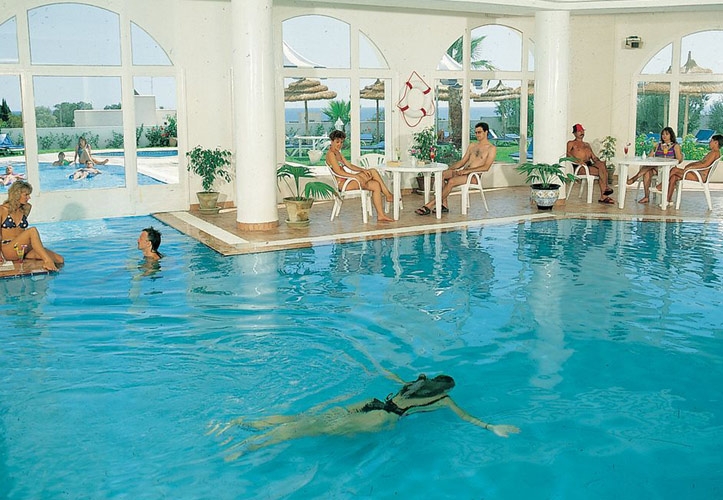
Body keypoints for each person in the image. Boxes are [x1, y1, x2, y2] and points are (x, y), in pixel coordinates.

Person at [209, 371, 520, 460]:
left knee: (301, 419)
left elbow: (388, 373)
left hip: (369, 404)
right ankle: (246, 448)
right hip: (380, 419)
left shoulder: (414, 382)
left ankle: (241, 422)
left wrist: (369, 364)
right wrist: (492, 427)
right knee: (310, 429)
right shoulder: (444, 399)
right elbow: (466, 417)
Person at [415, 122, 496, 216]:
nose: (477, 134)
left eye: (479, 132)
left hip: (474, 176)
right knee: (441, 175)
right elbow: (462, 162)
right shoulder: (472, 146)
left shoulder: (491, 148)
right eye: (476, 132)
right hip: (463, 172)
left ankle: (430, 205)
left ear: (486, 132)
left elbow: (486, 167)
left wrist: (467, 171)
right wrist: (448, 169)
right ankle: (444, 205)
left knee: (451, 181)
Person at [326, 129, 394, 223]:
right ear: (331, 141)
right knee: (373, 171)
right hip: (344, 184)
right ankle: (388, 195)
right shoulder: (331, 154)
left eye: (341, 142)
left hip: (348, 181)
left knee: (376, 185)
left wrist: (362, 170)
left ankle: (381, 215)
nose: (339, 144)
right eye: (337, 142)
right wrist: (355, 176)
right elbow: (338, 172)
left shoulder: (337, 153)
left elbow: (349, 166)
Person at [0, 180, 63, 271]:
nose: (29, 197)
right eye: (26, 195)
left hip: (23, 248)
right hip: (8, 249)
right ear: (16, 194)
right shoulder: (2, 210)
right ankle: (47, 261)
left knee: (59, 259)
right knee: (32, 231)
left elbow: (20, 231)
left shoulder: (26, 208)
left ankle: (40, 264)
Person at [626, 126, 683, 204]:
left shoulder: (675, 146)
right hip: (656, 168)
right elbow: (650, 157)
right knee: (647, 172)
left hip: (669, 169)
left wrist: (669, 159)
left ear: (671, 135)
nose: (664, 136)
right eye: (663, 134)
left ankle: (635, 177)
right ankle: (646, 197)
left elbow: (679, 160)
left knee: (649, 168)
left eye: (667, 134)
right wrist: (653, 151)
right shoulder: (658, 145)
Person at [660, 134, 722, 204]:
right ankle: (668, 200)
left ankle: (661, 185)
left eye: (711, 141)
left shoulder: (714, 153)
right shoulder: (714, 152)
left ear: (716, 142)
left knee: (674, 170)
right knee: (674, 177)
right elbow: (701, 162)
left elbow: (705, 165)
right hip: (698, 173)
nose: (709, 143)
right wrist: (690, 165)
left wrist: (690, 167)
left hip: (700, 176)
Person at [566, 123, 615, 204]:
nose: (581, 132)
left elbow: (594, 157)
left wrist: (599, 161)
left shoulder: (587, 144)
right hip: (580, 167)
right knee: (603, 171)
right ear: (574, 133)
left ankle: (604, 194)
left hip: (589, 165)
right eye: (579, 131)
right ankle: (604, 195)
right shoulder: (571, 143)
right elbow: (567, 154)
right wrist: (578, 161)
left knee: (602, 165)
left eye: (582, 130)